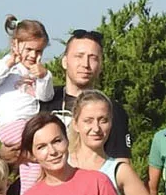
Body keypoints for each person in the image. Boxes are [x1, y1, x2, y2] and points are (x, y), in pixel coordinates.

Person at [0, 16, 54, 194]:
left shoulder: (38, 71)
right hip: (13, 126)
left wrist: (44, 77)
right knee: (39, 150)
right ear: (15, 44)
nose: (33, 55)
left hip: (29, 125)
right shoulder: (9, 67)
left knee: (32, 166)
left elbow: (45, 96)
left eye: (38, 51)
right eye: (28, 49)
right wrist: (9, 62)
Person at [42, 30, 131, 160]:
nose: (85, 64)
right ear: (65, 62)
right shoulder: (44, 100)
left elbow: (121, 162)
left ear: (100, 66)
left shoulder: (112, 109)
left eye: (93, 58)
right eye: (79, 56)